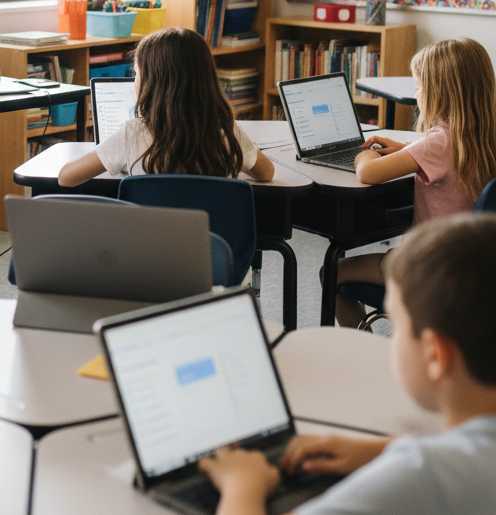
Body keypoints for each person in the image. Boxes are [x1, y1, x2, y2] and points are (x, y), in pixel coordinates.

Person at [198, 213, 496, 515]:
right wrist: (381, 450)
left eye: (400, 325)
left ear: (435, 355)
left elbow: (436, 469)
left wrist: (242, 485)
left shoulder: (422, 474)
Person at [332, 37, 496, 327]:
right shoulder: (482, 134)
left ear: (437, 93)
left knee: (332, 271)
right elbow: (439, 154)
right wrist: (406, 150)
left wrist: (362, 156)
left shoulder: (438, 142)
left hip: (429, 264)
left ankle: (361, 357)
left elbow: (368, 174)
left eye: (419, 87)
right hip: (474, 266)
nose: (417, 93)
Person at [58, 27, 274, 186]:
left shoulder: (132, 134)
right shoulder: (227, 131)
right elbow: (267, 173)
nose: (135, 79)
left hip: (150, 245)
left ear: (152, 83)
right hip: (211, 244)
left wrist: (114, 156)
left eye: (136, 73)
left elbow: (66, 177)